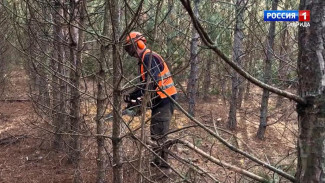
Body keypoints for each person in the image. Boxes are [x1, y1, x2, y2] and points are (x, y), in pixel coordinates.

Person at [124, 31, 177, 170]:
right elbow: (144, 84)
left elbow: (150, 83)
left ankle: (163, 165)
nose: (131, 52)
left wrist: (139, 98)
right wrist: (132, 96)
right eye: (128, 49)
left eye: (131, 48)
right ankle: (157, 160)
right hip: (158, 97)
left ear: (139, 44)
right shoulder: (143, 61)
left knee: (160, 131)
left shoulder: (149, 57)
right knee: (155, 131)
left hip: (165, 98)